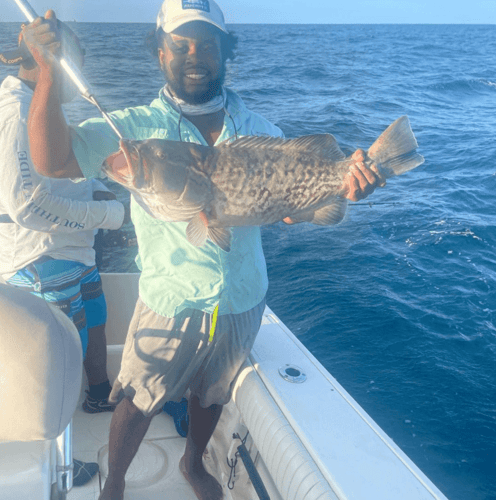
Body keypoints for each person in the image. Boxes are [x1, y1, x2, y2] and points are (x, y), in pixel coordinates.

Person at [24, 2, 385, 499]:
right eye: (181, 44)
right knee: (137, 397)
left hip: (243, 298)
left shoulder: (260, 129)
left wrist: (341, 187)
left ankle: (194, 463)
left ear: (224, 54)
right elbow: (53, 161)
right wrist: (47, 73)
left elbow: (288, 212)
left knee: (212, 392)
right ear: (160, 52)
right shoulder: (137, 129)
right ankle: (119, 481)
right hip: (170, 300)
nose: (195, 55)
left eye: (208, 45)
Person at [0, 22, 127, 424]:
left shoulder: (42, 105)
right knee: (60, 359)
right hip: (41, 260)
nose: (81, 73)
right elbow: (26, 205)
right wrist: (109, 215)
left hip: (76, 252)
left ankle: (99, 395)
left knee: (96, 324)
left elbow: (55, 175)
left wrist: (98, 190)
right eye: (76, 62)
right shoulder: (17, 112)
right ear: (46, 62)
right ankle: (63, 461)